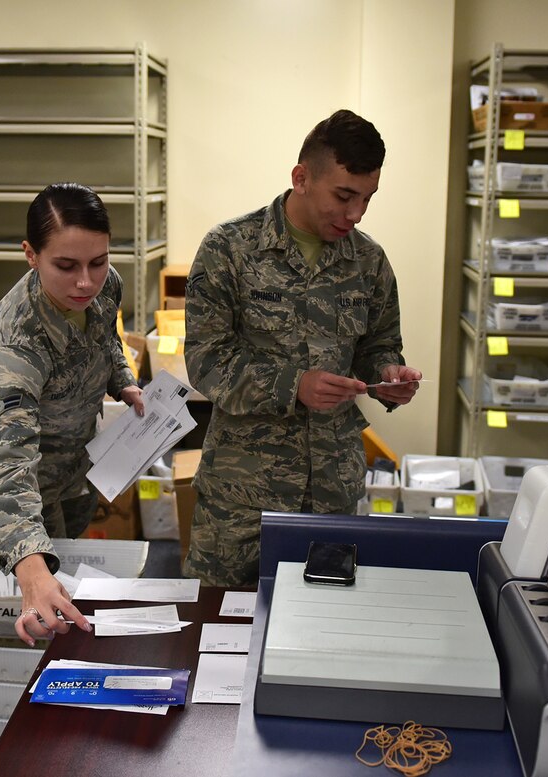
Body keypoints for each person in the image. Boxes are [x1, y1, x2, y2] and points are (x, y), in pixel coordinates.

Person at [183, 109, 421, 586]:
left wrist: (389, 377)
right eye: (344, 195)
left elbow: (379, 345)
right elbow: (205, 361)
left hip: (332, 492)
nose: (355, 214)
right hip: (242, 498)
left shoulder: (368, 261)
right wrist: (295, 386)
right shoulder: (229, 249)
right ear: (301, 178)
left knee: (322, 632)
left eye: (367, 199)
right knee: (220, 634)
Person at [0, 182, 145, 646]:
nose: (85, 281)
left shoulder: (105, 287)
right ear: (30, 255)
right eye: (65, 266)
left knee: (70, 600)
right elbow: (0, 464)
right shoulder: (17, 343)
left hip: (76, 470)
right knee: (42, 615)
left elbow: (105, 338)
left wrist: (121, 378)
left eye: (98, 262)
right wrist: (28, 563)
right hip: (27, 496)